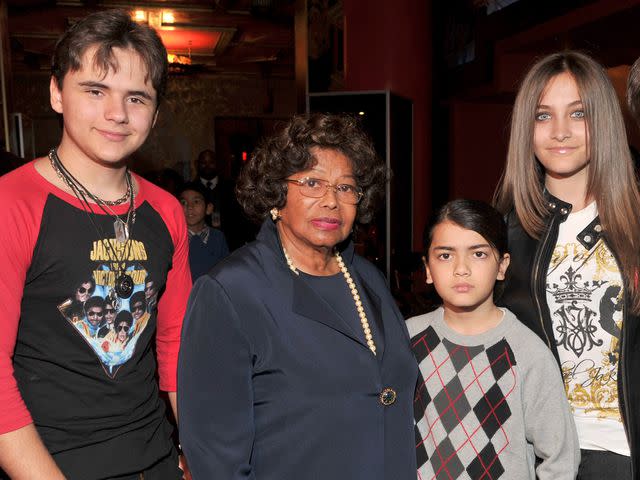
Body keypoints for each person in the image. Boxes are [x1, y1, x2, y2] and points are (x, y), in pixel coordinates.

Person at [0, 9, 191, 480]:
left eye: (137, 98)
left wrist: (201, 448)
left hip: (158, 461)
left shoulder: (166, 211)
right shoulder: (12, 204)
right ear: (56, 93)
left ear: (155, 112)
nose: (117, 114)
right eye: (95, 90)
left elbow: (176, 345)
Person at [178, 113, 419, 479]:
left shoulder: (368, 278)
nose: (330, 201)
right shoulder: (231, 291)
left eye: (346, 188)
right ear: (276, 193)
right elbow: (215, 458)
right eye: (312, 183)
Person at [494, 50, 640, 479]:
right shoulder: (504, 234)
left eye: (578, 114)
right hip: (543, 458)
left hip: (623, 456)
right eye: (543, 116)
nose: (560, 132)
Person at [407, 199, 579, 479]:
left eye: (478, 254)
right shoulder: (407, 340)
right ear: (427, 268)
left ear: (502, 265)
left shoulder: (527, 352)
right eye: (445, 256)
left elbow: (560, 459)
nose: (461, 268)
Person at [178, 181, 229, 281]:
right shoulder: (174, 238)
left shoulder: (218, 237)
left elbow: (226, 272)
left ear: (208, 208)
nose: (189, 207)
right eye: (183, 203)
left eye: (196, 201)